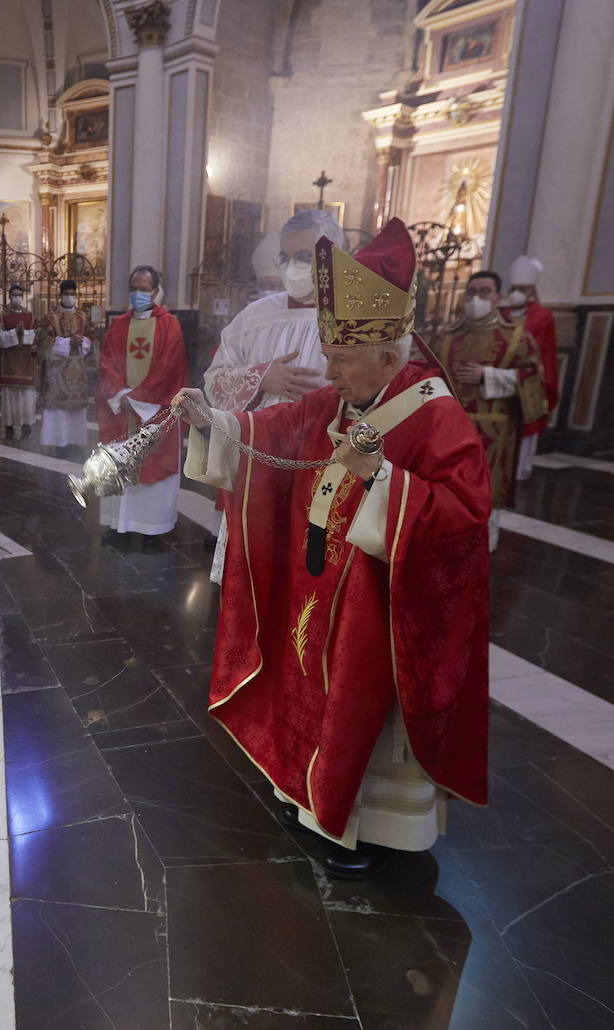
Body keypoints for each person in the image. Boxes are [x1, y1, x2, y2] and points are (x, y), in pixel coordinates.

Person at [173, 218, 491, 879]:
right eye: (330, 355)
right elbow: (274, 429)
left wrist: (383, 477)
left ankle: (371, 828)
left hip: (384, 615)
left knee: (363, 714)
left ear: (388, 355)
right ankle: (313, 795)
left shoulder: (435, 415)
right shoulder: (341, 396)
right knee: (311, 681)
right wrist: (216, 421)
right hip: (319, 591)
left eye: (342, 360)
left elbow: (465, 518)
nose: (330, 370)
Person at [201, 209, 342, 582]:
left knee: (312, 576)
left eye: (303, 257)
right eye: (286, 257)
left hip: (327, 459)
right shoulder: (256, 316)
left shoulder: (354, 317)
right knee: (256, 570)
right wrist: (261, 377)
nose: (291, 267)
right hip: (261, 459)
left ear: (334, 257)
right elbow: (213, 380)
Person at [436, 269, 546, 549]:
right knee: (447, 488)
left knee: (486, 489)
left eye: (484, 292)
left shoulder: (518, 338)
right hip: (449, 429)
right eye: (471, 292)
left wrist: (488, 375)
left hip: (495, 431)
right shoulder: (447, 336)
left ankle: (484, 546)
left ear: (498, 297)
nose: (476, 298)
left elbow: (533, 378)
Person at [96, 265, 188, 546]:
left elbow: (171, 368)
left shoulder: (169, 324)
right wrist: (120, 393)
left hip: (155, 412)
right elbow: (107, 362)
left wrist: (137, 397)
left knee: (153, 466)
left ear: (156, 291)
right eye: (133, 289)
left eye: (144, 289)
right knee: (117, 463)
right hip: (122, 410)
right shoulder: (118, 325)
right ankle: (118, 525)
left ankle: (152, 530)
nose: (138, 294)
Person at [501, 255, 559, 480]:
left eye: (522, 288)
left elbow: (542, 351)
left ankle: (518, 473)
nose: (516, 292)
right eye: (513, 288)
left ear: (532, 291)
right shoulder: (502, 315)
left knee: (523, 425)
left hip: (526, 380)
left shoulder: (542, 316)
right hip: (500, 378)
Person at [37, 279, 95, 452]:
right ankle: (59, 443)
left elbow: (91, 340)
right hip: (57, 372)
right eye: (66, 294)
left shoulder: (83, 317)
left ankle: (74, 442)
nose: (69, 297)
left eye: (72, 294)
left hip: (77, 370)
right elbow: (43, 342)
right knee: (59, 411)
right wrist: (68, 343)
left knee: (75, 411)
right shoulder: (50, 317)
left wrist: (82, 342)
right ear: (60, 295)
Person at [0, 283, 39, 439]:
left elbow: (37, 334)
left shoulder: (30, 316)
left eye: (19, 295)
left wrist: (23, 334)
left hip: (25, 362)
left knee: (27, 396)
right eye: (14, 295)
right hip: (9, 363)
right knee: (9, 396)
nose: (17, 297)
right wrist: (14, 334)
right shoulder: (3, 315)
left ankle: (26, 426)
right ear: (10, 297)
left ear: (23, 297)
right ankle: (9, 427)